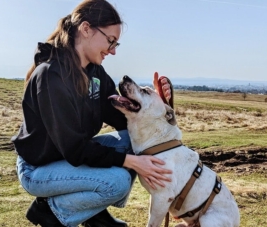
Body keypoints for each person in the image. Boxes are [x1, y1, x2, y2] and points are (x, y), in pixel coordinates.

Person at [12, 0, 173, 226]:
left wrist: (156, 105)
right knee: (117, 183)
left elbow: (121, 119)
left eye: (117, 44)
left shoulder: (94, 72)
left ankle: (93, 215)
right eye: (110, 41)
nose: (113, 51)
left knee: (133, 138)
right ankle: (49, 210)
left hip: (68, 160)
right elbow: (75, 149)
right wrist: (133, 162)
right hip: (39, 168)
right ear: (86, 29)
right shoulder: (50, 76)